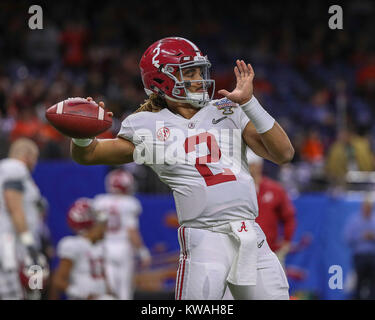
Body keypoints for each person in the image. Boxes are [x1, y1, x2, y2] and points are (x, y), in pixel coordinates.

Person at [69, 37, 294, 299]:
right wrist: (81, 134)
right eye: (189, 72)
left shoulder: (229, 108)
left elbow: (284, 153)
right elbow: (89, 154)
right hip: (205, 238)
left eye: (200, 70)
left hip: (249, 233)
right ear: (162, 80)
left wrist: (250, 103)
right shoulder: (146, 124)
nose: (200, 78)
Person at [92, 168, 151, 300]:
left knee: (108, 289)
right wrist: (142, 251)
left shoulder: (100, 201)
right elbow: (131, 231)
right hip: (123, 248)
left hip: (104, 247)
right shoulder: (130, 203)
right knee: (125, 292)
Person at [0, 138, 46, 300]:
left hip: (12, 242)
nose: (35, 162)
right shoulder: (15, 168)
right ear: (28, 155)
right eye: (35, 157)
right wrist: (29, 244)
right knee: (11, 294)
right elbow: (14, 207)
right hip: (10, 243)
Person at [246, 149, 296, 266]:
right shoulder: (238, 189)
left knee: (276, 283)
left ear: (258, 166)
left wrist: (286, 241)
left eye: (251, 165)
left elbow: (289, 217)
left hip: (270, 251)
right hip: (243, 251)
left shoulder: (275, 189)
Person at [344, 194, 375, 300]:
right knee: (358, 284)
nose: (367, 210)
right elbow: (348, 238)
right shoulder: (354, 220)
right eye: (366, 207)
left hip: (373, 256)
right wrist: (362, 236)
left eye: (369, 208)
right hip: (360, 256)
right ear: (362, 207)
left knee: (373, 285)